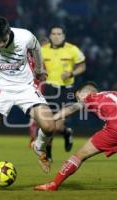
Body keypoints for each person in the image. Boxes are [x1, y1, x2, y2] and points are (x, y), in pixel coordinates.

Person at [0, 15, 55, 191]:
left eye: (2, 40)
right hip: (0, 90)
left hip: (26, 87)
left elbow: (37, 48)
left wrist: (39, 70)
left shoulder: (25, 37)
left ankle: (38, 147)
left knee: (49, 126)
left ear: (8, 31)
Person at [29, 25, 86, 161]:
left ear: (64, 35)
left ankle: (65, 132)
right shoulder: (42, 50)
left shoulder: (72, 49)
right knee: (47, 123)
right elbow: (36, 67)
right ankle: (48, 154)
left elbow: (82, 66)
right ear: (50, 35)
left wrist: (72, 72)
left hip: (66, 89)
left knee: (57, 125)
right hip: (48, 89)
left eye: (59, 34)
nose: (56, 36)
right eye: (53, 33)